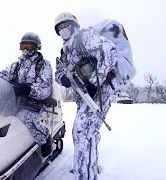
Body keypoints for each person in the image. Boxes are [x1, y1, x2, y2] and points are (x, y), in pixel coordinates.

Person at [54, 12, 118, 180]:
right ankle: (87, 168)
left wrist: (93, 83)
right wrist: (63, 79)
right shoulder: (65, 50)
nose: (63, 30)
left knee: (82, 130)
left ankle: (85, 175)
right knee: (85, 131)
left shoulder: (84, 37)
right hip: (83, 96)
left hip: (101, 90)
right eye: (60, 28)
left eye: (65, 25)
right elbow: (59, 71)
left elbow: (109, 51)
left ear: (74, 25)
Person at [0, 32, 54, 156]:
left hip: (35, 105)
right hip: (16, 103)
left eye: (29, 46)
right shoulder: (16, 65)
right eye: (23, 46)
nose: (25, 50)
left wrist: (28, 89)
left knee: (24, 119)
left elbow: (45, 89)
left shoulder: (43, 65)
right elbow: (2, 75)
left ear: (36, 47)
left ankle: (46, 139)